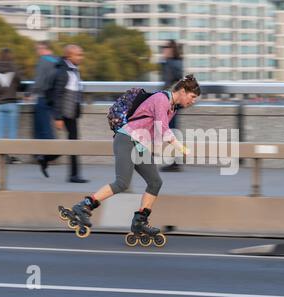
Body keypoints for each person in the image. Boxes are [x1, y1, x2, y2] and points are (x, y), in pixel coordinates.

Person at [62, 75, 201, 236]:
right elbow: (163, 129)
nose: (193, 101)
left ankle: (140, 222)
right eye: (192, 97)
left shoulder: (172, 108)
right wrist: (181, 149)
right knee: (122, 183)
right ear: (183, 91)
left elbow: (157, 132)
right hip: (127, 139)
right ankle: (84, 206)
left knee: (155, 182)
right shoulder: (161, 99)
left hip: (140, 145)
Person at [37, 44, 88, 183]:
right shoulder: (63, 72)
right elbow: (57, 95)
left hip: (71, 111)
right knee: (74, 143)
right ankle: (74, 175)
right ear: (69, 56)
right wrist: (57, 117)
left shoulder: (73, 69)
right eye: (78, 54)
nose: (81, 57)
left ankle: (45, 158)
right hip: (65, 113)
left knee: (72, 142)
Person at [0, 48, 23, 164]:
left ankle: (0, 157)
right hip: (11, 103)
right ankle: (11, 156)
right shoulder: (14, 68)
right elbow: (19, 83)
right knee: (12, 131)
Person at [159, 40, 184, 172]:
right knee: (173, 130)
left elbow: (167, 83)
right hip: (177, 101)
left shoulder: (169, 64)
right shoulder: (178, 63)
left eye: (165, 48)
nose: (163, 50)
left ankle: (175, 162)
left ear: (170, 50)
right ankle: (176, 161)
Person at [31, 41, 59, 141]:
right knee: (48, 125)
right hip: (56, 98)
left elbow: (38, 82)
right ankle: (45, 153)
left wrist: (29, 93)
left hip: (43, 97)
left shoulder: (42, 60)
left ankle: (48, 153)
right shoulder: (57, 60)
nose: (37, 51)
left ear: (44, 48)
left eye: (38, 49)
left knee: (41, 127)